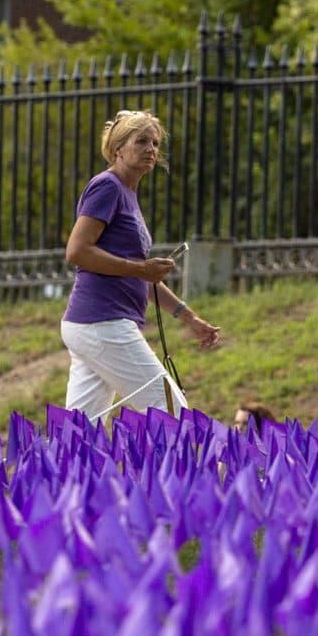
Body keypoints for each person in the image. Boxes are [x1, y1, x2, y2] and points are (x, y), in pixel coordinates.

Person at [62, 109, 220, 419]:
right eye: (142, 141)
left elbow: (142, 278)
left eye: (156, 143)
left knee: (80, 431)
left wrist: (189, 318)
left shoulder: (127, 194)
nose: (151, 149)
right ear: (118, 148)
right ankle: (181, 470)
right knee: (173, 413)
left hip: (91, 325)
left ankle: (47, 469)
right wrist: (140, 269)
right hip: (103, 322)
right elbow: (77, 251)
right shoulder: (107, 186)